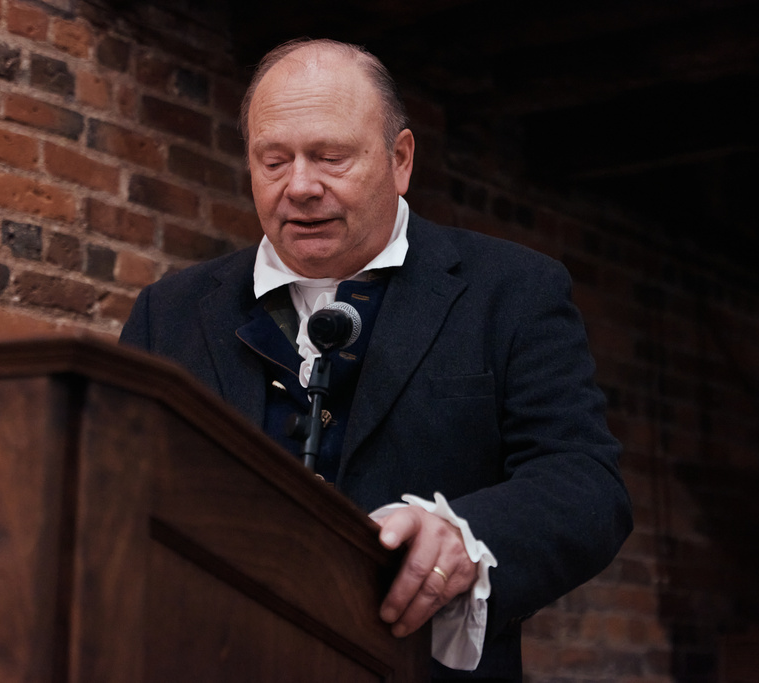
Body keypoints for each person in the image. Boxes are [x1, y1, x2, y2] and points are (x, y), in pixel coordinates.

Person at [120, 38, 632, 682]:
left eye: (331, 157)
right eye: (272, 161)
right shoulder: (167, 313)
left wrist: (466, 538)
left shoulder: (513, 290)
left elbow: (586, 485)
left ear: (400, 159)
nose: (300, 186)